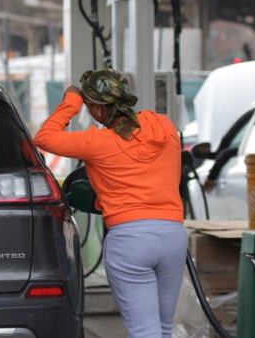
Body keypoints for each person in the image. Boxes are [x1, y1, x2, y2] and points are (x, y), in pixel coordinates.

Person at [34, 68, 187, 338]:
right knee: (164, 329)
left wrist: (71, 100)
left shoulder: (97, 142)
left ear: (97, 109)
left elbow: (44, 137)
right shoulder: (164, 126)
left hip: (130, 241)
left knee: (144, 332)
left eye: (90, 106)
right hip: (173, 237)